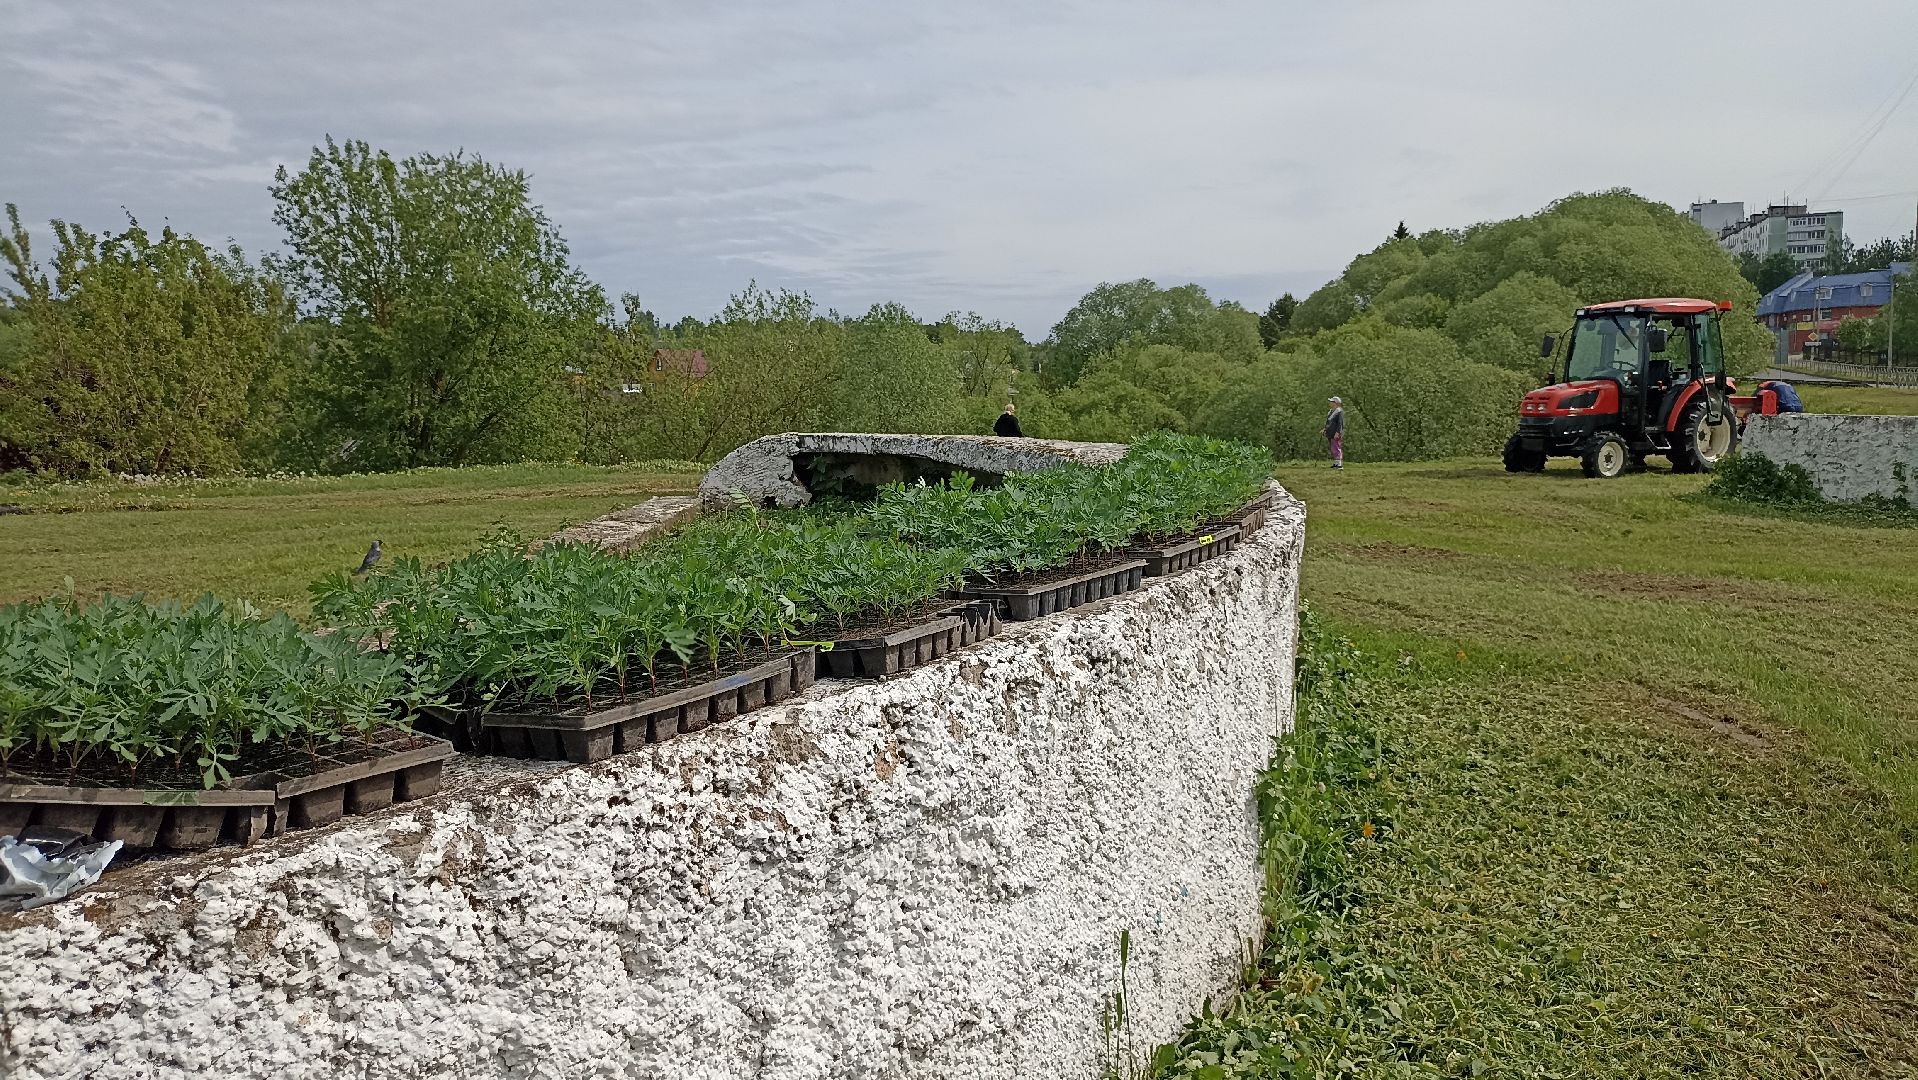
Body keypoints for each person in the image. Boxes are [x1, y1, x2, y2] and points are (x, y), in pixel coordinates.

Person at [1323, 396, 1345, 468]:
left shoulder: (1339, 412)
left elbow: (1340, 423)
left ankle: (1339, 463)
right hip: (1330, 432)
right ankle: (1336, 462)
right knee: (1333, 447)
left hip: (1336, 432)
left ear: (1335, 403)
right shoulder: (1330, 411)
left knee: (1336, 447)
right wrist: (1325, 429)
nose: (1330, 403)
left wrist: (1338, 432)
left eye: (1331, 402)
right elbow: (1328, 422)